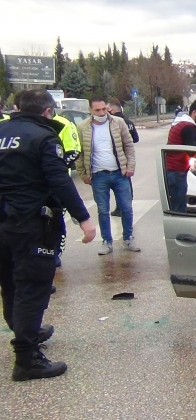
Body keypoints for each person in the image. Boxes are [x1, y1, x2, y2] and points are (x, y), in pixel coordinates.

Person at [0, 89, 96, 381]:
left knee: (10, 283)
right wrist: (84, 218)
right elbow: (59, 182)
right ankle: (27, 359)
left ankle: (25, 329)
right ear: (47, 111)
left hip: (3, 221)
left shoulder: (2, 131)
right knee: (32, 287)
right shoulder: (43, 137)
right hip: (29, 223)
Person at [76, 96, 140, 255]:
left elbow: (129, 146)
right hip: (98, 176)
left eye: (104, 109)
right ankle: (107, 241)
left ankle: (128, 237)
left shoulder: (118, 123)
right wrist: (83, 173)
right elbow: (80, 153)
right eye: (97, 110)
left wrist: (130, 167)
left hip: (120, 174)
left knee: (126, 207)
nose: (102, 112)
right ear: (91, 110)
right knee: (103, 210)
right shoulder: (83, 127)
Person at [51, 109, 82, 267]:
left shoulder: (63, 124)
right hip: (32, 184)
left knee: (56, 219)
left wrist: (54, 166)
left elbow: (74, 151)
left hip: (58, 181)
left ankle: (56, 252)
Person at [166, 100, 196, 213]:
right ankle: (178, 228)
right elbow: (192, 151)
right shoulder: (189, 126)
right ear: (194, 112)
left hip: (172, 168)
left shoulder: (179, 123)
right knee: (179, 207)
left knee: (175, 203)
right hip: (177, 169)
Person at [107, 99, 139, 218]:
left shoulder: (113, 123)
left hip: (117, 156)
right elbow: (136, 139)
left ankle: (121, 207)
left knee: (118, 183)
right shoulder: (129, 122)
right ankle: (127, 203)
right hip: (127, 156)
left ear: (113, 110)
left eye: (108, 110)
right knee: (126, 181)